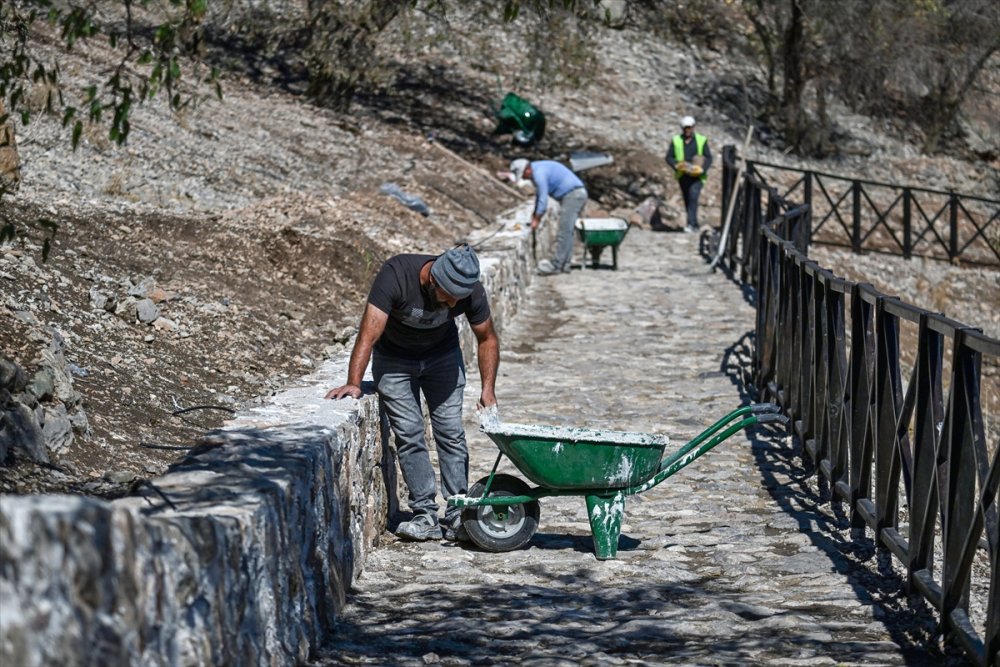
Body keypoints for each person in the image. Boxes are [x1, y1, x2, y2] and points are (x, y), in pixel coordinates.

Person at [325, 243, 499, 542]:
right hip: (394, 361)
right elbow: (369, 332)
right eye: (449, 296)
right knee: (409, 432)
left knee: (450, 432)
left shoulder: (469, 291)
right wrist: (354, 381)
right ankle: (424, 514)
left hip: (442, 357)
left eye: (460, 297)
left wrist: (488, 389)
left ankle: (458, 512)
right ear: (432, 280)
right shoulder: (397, 275)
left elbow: (487, 338)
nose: (454, 303)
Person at [509, 158, 588, 275]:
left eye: (523, 175)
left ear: (527, 170)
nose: (525, 178)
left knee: (564, 231)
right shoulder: (539, 168)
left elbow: (542, 199)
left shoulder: (539, 173)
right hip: (575, 194)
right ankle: (565, 264)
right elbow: (539, 196)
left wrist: (536, 219)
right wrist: (535, 214)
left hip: (573, 195)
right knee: (568, 231)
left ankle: (557, 265)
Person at [665, 115, 713, 232]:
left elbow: (709, 157)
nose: (688, 130)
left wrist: (703, 168)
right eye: (685, 128)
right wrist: (676, 165)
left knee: (693, 195)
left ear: (693, 127)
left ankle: (691, 224)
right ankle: (694, 224)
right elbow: (669, 157)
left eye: (690, 128)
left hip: (698, 176)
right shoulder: (676, 140)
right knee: (687, 198)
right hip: (683, 175)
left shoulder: (701, 140)